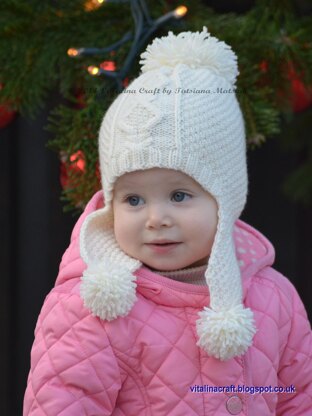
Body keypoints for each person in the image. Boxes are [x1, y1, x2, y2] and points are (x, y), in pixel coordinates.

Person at [23, 27, 312, 415]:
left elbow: (298, 397)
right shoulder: (94, 307)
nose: (156, 218)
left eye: (179, 196)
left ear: (224, 199)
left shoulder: (272, 296)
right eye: (133, 199)